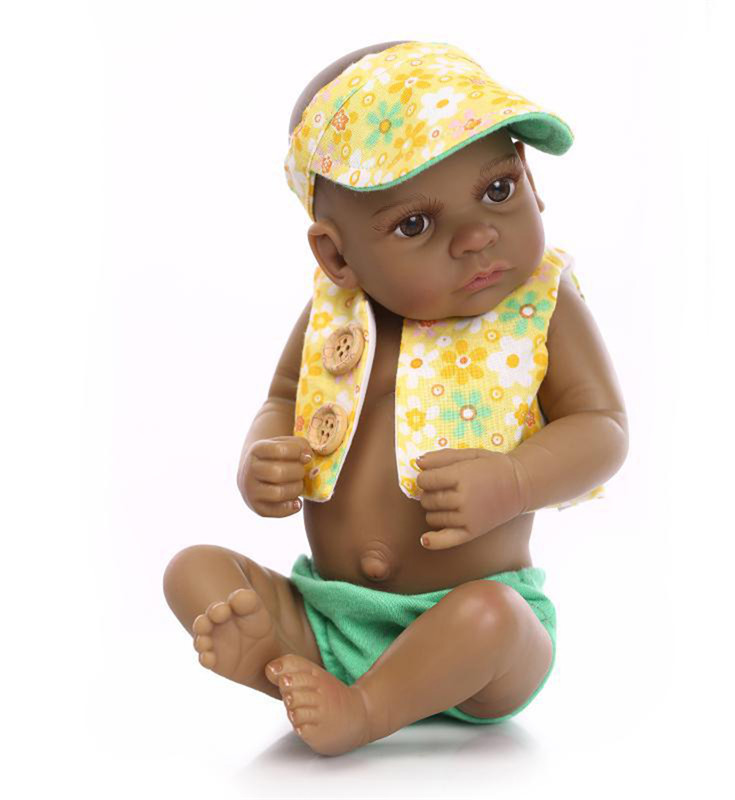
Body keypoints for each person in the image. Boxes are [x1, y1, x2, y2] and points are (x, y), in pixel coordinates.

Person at [163, 40, 629, 757]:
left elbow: (602, 428)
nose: (477, 236)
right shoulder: (336, 312)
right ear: (337, 255)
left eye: (497, 190)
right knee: (193, 571)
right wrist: (263, 457)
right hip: (330, 613)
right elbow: (283, 396)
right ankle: (293, 662)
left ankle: (365, 709)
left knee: (493, 618)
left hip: (472, 627)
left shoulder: (540, 303)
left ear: (531, 178)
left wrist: (515, 481)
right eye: (415, 224)